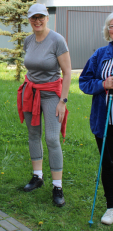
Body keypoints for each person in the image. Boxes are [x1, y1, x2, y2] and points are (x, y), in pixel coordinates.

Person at [17, 4, 71, 207]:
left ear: (47, 18)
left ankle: (57, 186)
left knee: (51, 138)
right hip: (31, 93)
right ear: (29, 19)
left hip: (51, 96)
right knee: (33, 134)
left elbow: (67, 73)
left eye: (40, 17)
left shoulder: (57, 40)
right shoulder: (28, 40)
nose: (37, 21)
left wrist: (62, 101)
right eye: (33, 17)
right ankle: (37, 176)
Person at [79, 12, 113, 225]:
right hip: (106, 121)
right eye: (112, 25)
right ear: (108, 29)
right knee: (109, 164)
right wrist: (103, 85)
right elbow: (84, 82)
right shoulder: (100, 54)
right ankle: (111, 207)